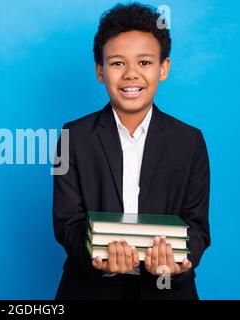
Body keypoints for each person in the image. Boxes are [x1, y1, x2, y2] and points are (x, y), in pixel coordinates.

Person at [53, 3, 210, 299]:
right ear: (101, 71)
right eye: (117, 63)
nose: (131, 75)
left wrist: (179, 262)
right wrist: (99, 260)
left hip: (167, 290)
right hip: (90, 289)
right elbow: (67, 222)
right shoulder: (71, 137)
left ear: (163, 68)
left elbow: (197, 225)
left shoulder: (190, 141)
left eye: (145, 62)